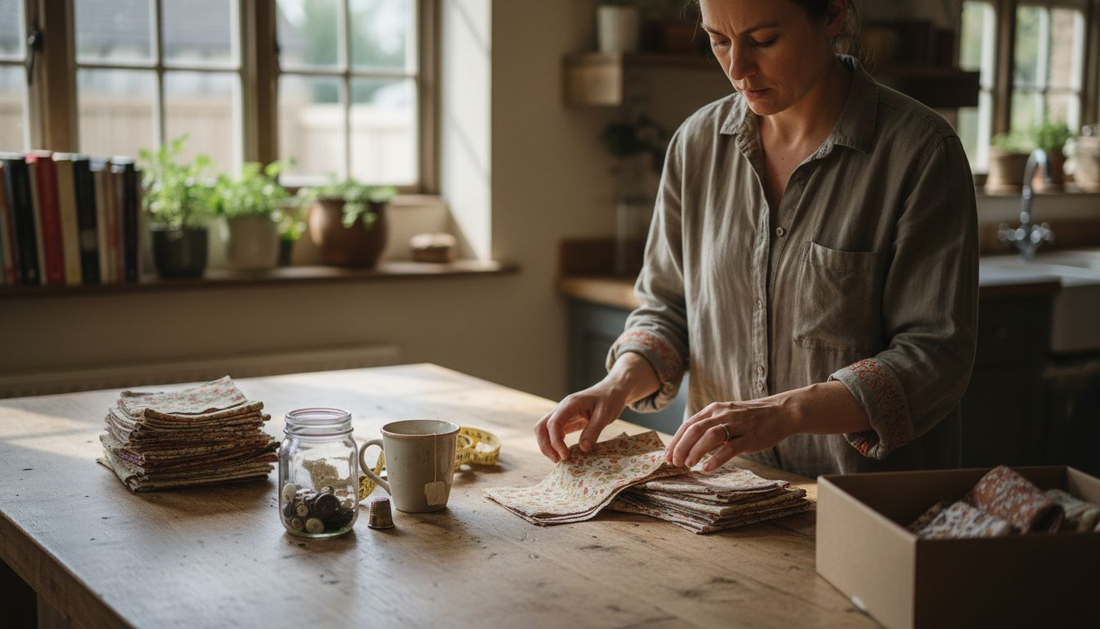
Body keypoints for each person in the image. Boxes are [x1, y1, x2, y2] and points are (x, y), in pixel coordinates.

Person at [535, 0, 978, 479]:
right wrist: (616, 385)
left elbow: (936, 355)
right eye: (719, 41)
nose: (737, 68)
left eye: (764, 41)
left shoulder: (920, 153)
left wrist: (785, 414)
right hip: (723, 493)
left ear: (831, 15)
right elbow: (668, 310)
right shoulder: (696, 146)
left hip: (865, 510)